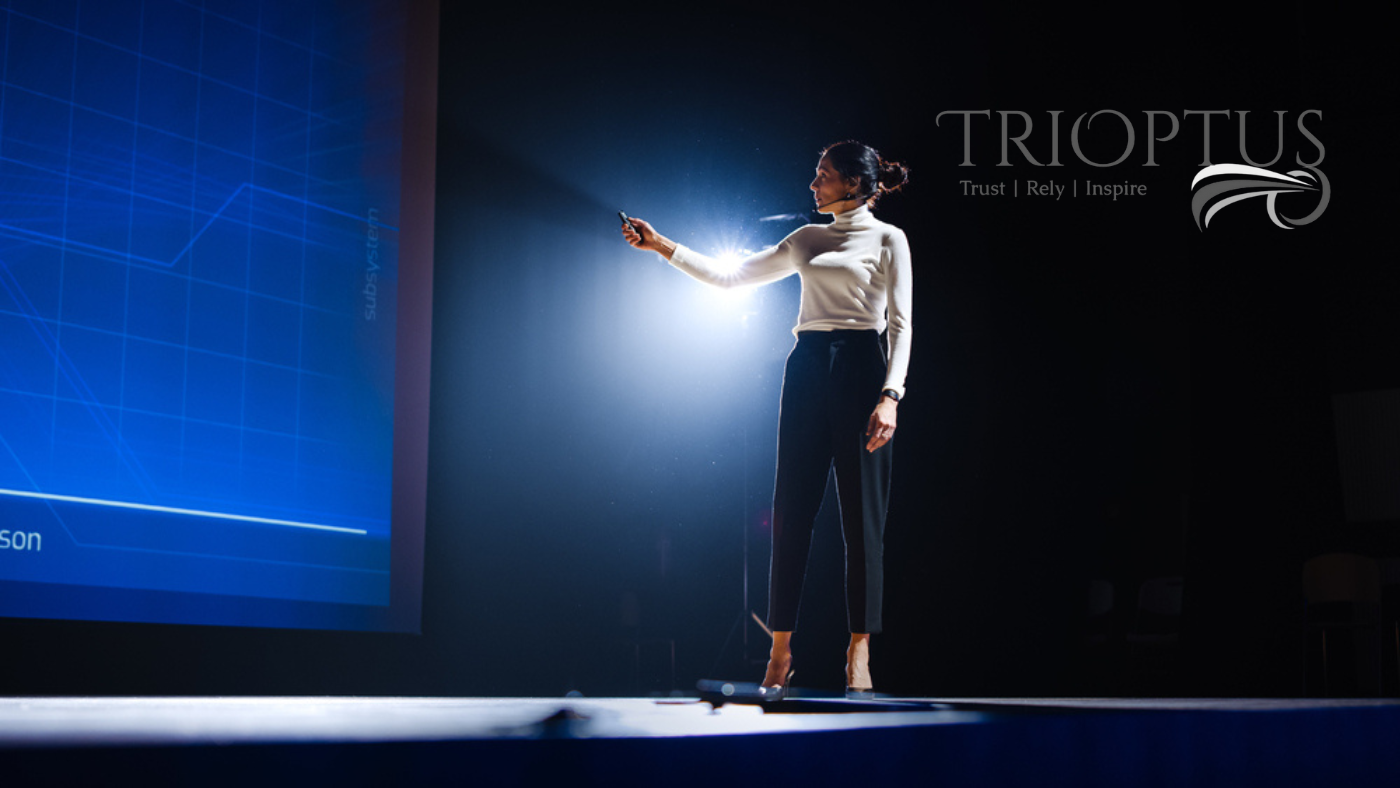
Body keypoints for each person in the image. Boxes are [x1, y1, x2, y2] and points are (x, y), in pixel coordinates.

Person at [623, 141, 911, 698]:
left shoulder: (888, 239)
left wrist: (890, 395)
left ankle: (859, 649)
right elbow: (731, 278)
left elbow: (901, 324)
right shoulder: (806, 239)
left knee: (862, 520)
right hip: (807, 366)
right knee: (791, 510)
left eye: (823, 175)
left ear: (853, 184)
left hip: (862, 369)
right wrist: (661, 245)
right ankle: (780, 652)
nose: (813, 184)